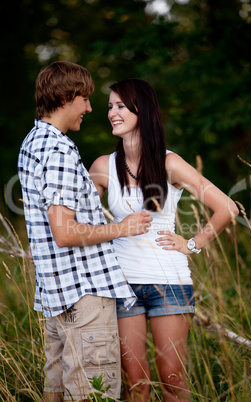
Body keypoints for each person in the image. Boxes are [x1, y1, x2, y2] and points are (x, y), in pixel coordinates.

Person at [89, 78, 239, 401]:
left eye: (119, 106)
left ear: (140, 110)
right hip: (122, 283)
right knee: (135, 384)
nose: (112, 113)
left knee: (172, 377)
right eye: (109, 107)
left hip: (168, 283)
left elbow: (226, 207)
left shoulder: (170, 162)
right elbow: (73, 216)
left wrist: (192, 244)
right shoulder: (103, 167)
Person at [18, 63, 152, 402]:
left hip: (55, 295)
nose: (90, 109)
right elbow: (63, 232)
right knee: (95, 395)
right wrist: (123, 227)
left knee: (56, 390)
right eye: (85, 99)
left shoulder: (31, 142)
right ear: (66, 97)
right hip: (84, 294)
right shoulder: (60, 149)